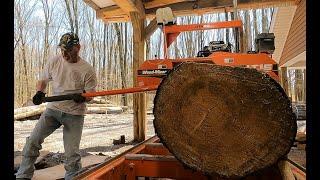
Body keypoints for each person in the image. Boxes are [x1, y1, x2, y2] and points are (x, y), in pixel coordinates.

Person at [15, 32, 97, 180]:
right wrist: (40, 91)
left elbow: (91, 95)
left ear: (78, 48)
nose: (64, 54)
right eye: (62, 50)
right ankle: (23, 176)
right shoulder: (54, 61)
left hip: (75, 114)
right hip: (53, 110)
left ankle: (73, 177)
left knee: (71, 154)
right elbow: (43, 80)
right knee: (32, 142)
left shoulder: (87, 69)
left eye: (68, 50)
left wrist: (84, 97)